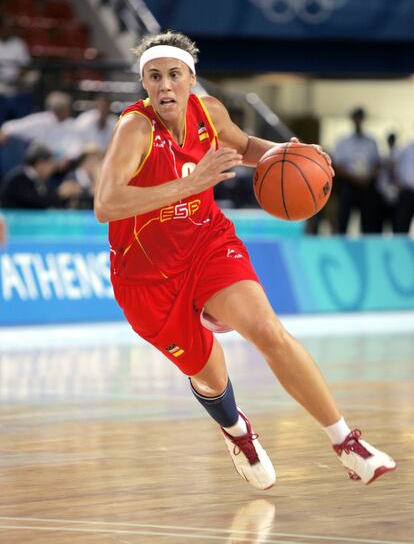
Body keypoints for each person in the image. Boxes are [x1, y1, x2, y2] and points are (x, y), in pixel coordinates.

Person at [94, 31, 396, 490]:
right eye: (154, 77)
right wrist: (187, 186)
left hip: (206, 244)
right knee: (210, 374)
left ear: (191, 78)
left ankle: (347, 444)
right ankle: (238, 431)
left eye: (175, 75)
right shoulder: (135, 129)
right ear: (145, 85)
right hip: (145, 276)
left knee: (268, 330)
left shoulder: (209, 112)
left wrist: (285, 154)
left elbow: (243, 145)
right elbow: (106, 204)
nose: (165, 86)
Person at [0, 91, 83, 171]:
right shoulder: (42, 120)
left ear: (68, 110)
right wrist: (5, 131)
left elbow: (77, 147)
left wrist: (68, 158)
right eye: (57, 108)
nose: (60, 112)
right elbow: (11, 126)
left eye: (63, 108)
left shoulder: (73, 125)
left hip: (62, 166)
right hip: (39, 164)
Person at [333, 107, 381, 234]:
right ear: (353, 119)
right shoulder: (343, 141)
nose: (359, 120)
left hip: (366, 184)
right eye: (356, 117)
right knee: (343, 220)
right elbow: (338, 165)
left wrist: (368, 177)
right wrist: (354, 178)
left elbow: (377, 163)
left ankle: (366, 248)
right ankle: (341, 245)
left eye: (361, 117)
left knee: (368, 222)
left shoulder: (371, 141)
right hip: (349, 183)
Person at [0, 142, 82, 209]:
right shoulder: (18, 178)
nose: (52, 168)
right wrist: (59, 193)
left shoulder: (40, 180)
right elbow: (34, 202)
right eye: (50, 163)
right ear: (40, 163)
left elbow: (52, 201)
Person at [393, 137, 414, 233]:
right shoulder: (407, 148)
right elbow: (396, 167)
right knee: (402, 226)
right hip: (407, 191)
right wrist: (398, 183)